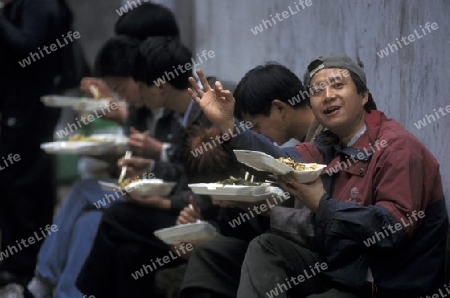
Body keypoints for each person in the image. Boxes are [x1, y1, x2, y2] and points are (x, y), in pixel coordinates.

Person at [185, 54, 448, 297]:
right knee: (266, 248)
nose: (328, 96)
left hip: (383, 283)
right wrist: (229, 126)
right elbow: (279, 161)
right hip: (341, 267)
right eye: (318, 91)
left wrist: (323, 206)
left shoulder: (398, 149)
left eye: (338, 86)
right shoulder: (328, 144)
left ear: (364, 95)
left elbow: (392, 230)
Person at [19, 4, 184, 298]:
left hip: (170, 204)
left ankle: (42, 285)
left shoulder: (175, 100)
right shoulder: (148, 102)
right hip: (149, 196)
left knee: (86, 196)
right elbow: (147, 156)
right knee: (88, 220)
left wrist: (156, 156)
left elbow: (184, 164)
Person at [179, 64, 323, 298]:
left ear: (279, 108)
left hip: (317, 254)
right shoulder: (298, 148)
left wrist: (229, 127)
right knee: (210, 252)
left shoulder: (324, 143)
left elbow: (317, 220)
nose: (258, 135)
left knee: (262, 248)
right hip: (289, 238)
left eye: (255, 126)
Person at [0, 0, 74, 288]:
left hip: (28, 109)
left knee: (15, 182)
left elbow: (28, 45)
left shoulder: (37, 4)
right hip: (29, 106)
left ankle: (22, 263)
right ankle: (32, 260)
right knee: (32, 180)